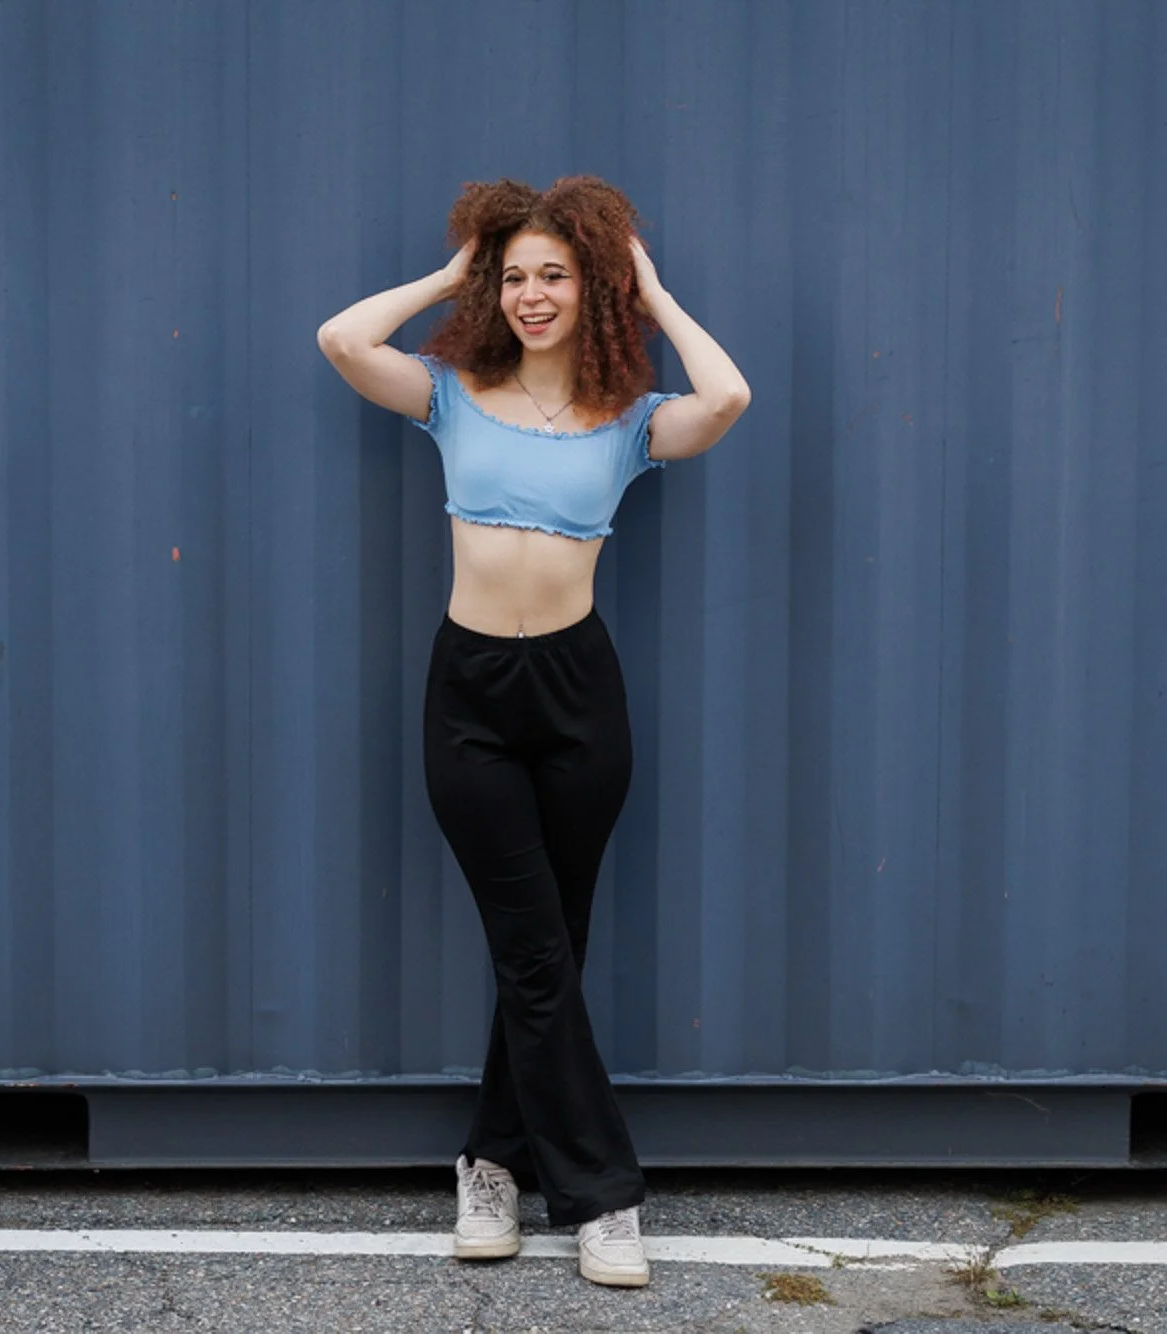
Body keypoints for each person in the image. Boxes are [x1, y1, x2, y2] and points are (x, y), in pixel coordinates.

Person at [316, 176, 750, 1288]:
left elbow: (731, 395)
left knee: (553, 943)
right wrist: (452, 271)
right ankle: (602, 1196)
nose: (530, 294)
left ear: (589, 286)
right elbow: (341, 337)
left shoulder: (629, 418)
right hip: (469, 692)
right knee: (533, 949)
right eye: (513, 276)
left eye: (553, 273)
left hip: (576, 692)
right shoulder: (451, 392)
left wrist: (649, 293)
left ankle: (490, 1164)